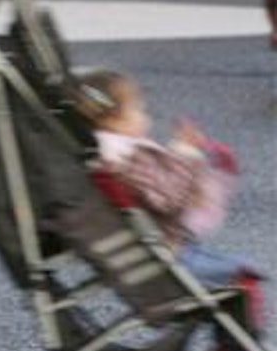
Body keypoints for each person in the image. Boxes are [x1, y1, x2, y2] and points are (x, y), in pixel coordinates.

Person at [76, 68, 257, 288]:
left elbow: (153, 184)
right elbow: (169, 198)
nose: (144, 115)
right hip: (164, 243)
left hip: (148, 235)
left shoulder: (105, 153)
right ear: (115, 121)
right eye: (138, 109)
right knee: (244, 270)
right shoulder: (128, 158)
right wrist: (185, 152)